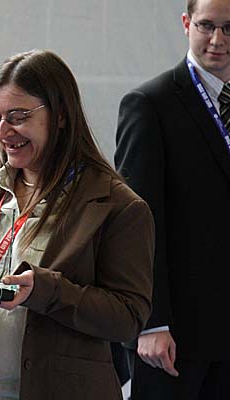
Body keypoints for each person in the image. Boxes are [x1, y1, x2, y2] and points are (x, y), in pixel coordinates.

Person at [0, 49, 155, 400]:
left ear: (60, 115)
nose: (2, 132)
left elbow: (128, 317)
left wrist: (46, 291)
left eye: (18, 117)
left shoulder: (115, 205)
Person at [114, 0, 230, 398]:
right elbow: (135, 225)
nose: (217, 39)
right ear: (186, 23)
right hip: (174, 336)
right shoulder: (150, 103)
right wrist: (151, 321)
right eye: (207, 25)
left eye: (229, 28)